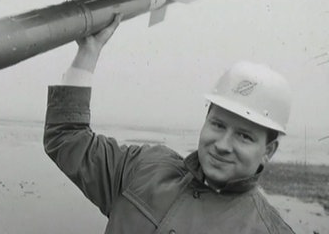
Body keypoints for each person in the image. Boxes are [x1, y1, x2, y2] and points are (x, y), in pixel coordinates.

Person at [43, 14, 295, 233]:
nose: (222, 145)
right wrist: (89, 50)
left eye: (244, 136)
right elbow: (67, 138)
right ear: (205, 121)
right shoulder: (145, 168)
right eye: (218, 125)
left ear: (268, 151)